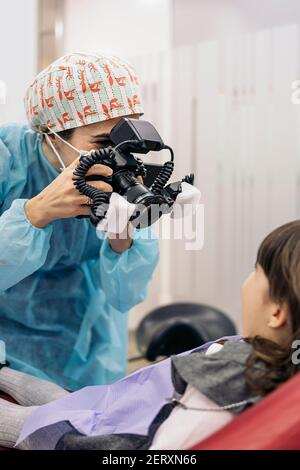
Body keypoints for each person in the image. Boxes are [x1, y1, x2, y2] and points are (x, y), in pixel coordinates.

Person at [0, 220, 299, 450]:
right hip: (116, 413)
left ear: (276, 313)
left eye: (255, 271)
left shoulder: (227, 384)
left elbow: (167, 448)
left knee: (36, 420)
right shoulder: (268, 362)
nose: (247, 281)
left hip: (101, 439)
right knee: (64, 400)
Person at [0, 52, 159, 391]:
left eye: (126, 142)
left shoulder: (121, 178)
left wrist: (122, 241)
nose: (118, 158)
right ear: (51, 133)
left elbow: (124, 294)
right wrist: (37, 212)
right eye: (102, 144)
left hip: (84, 340)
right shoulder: (6, 160)